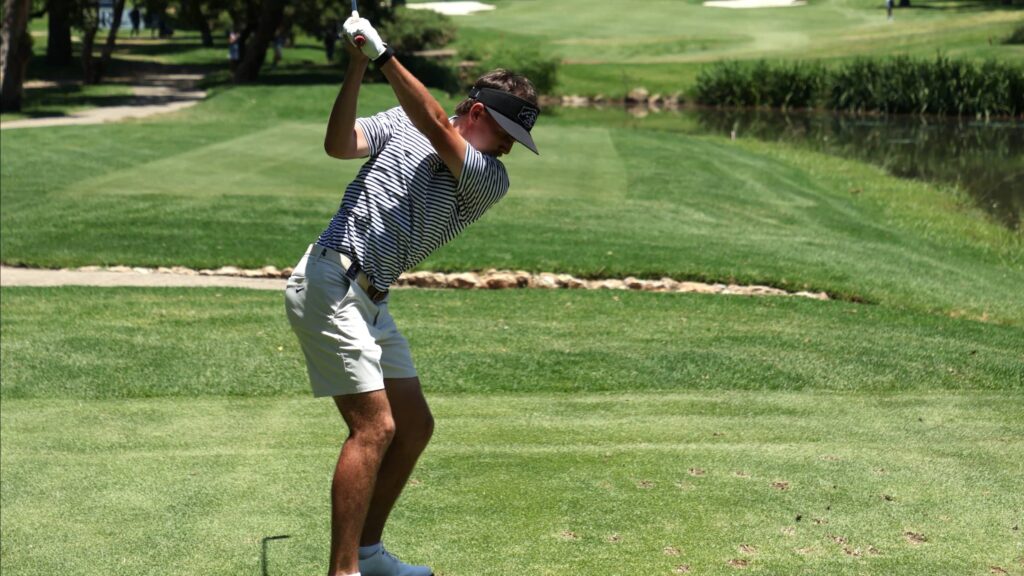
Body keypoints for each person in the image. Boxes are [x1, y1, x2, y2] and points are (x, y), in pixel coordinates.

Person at [283, 14, 540, 576]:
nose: (509, 151)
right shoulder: (402, 120)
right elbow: (338, 144)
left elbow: (432, 123)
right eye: (506, 136)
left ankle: (369, 555)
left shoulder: (486, 176)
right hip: (329, 280)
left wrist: (382, 54)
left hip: (371, 299)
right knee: (375, 427)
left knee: (414, 425)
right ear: (478, 114)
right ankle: (343, 571)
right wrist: (357, 68)